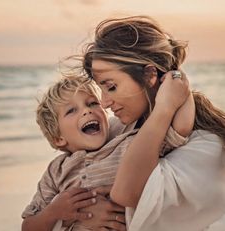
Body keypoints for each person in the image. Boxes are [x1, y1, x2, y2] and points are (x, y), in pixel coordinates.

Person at [81, 15, 225, 230]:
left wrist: (164, 109)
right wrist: (78, 213)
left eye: (111, 87)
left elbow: (126, 193)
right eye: (100, 89)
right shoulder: (119, 130)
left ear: (150, 74)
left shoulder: (205, 146)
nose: (104, 102)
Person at [21, 71, 191, 231]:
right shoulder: (56, 171)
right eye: (71, 110)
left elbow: (180, 128)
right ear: (59, 138)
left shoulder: (129, 143)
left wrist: (177, 79)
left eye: (92, 103)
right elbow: (28, 226)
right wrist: (55, 213)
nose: (87, 110)